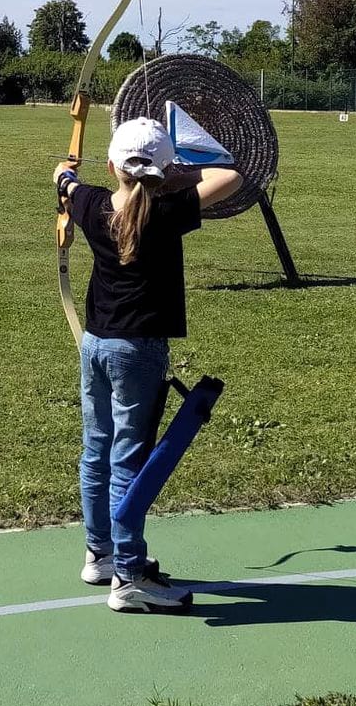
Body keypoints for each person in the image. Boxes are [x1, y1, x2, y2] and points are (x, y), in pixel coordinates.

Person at [54, 117, 241, 614]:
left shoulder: (92, 203)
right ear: (161, 172)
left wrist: (67, 174)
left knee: (96, 450)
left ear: (113, 165)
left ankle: (100, 554)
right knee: (127, 459)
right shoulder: (164, 210)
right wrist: (178, 174)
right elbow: (231, 174)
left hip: (95, 344)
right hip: (138, 353)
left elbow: (63, 179)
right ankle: (130, 575)